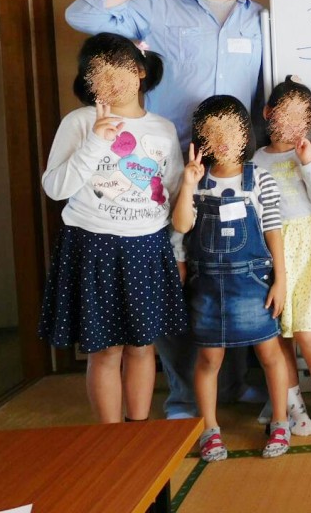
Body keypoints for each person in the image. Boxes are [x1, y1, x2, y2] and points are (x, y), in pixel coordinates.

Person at [65, 0, 262, 419]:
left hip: (228, 171)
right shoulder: (158, 7)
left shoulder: (260, 19)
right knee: (174, 280)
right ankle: (182, 396)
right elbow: (82, 15)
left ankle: (232, 385)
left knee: (230, 275)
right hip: (160, 170)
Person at [39, 33, 186, 423]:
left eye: (120, 68)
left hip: (147, 247)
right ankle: (110, 437)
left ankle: (137, 431)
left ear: (140, 71)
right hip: (93, 246)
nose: (112, 80)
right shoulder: (79, 122)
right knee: (106, 351)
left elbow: (172, 195)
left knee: (142, 347)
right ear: (90, 82)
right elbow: (55, 188)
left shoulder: (163, 129)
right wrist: (95, 142)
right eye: (98, 72)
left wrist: (177, 252)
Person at [172, 96, 289, 461]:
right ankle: (209, 428)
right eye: (213, 131)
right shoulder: (196, 180)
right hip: (207, 286)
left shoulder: (260, 179)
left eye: (231, 130)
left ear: (245, 134)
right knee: (208, 360)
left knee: (270, 354)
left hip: (254, 283)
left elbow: (273, 230)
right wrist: (187, 184)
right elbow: (181, 227)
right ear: (201, 138)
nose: (223, 139)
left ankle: (281, 421)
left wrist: (281, 280)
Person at [253, 77, 311, 434]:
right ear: (268, 113)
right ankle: (293, 405)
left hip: (307, 245)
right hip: (271, 247)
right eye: (286, 113)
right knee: (279, 333)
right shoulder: (256, 159)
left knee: (306, 329)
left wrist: (306, 161)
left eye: (302, 116)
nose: (293, 123)